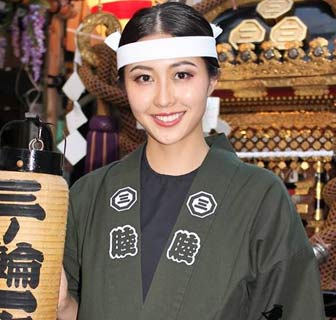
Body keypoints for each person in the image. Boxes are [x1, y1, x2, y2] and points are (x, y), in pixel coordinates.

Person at [57, 3, 325, 319]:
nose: (164, 98)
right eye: (143, 78)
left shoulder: (259, 196)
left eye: (182, 74)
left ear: (212, 80)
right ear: (123, 87)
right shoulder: (89, 195)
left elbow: (293, 309)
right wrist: (62, 305)